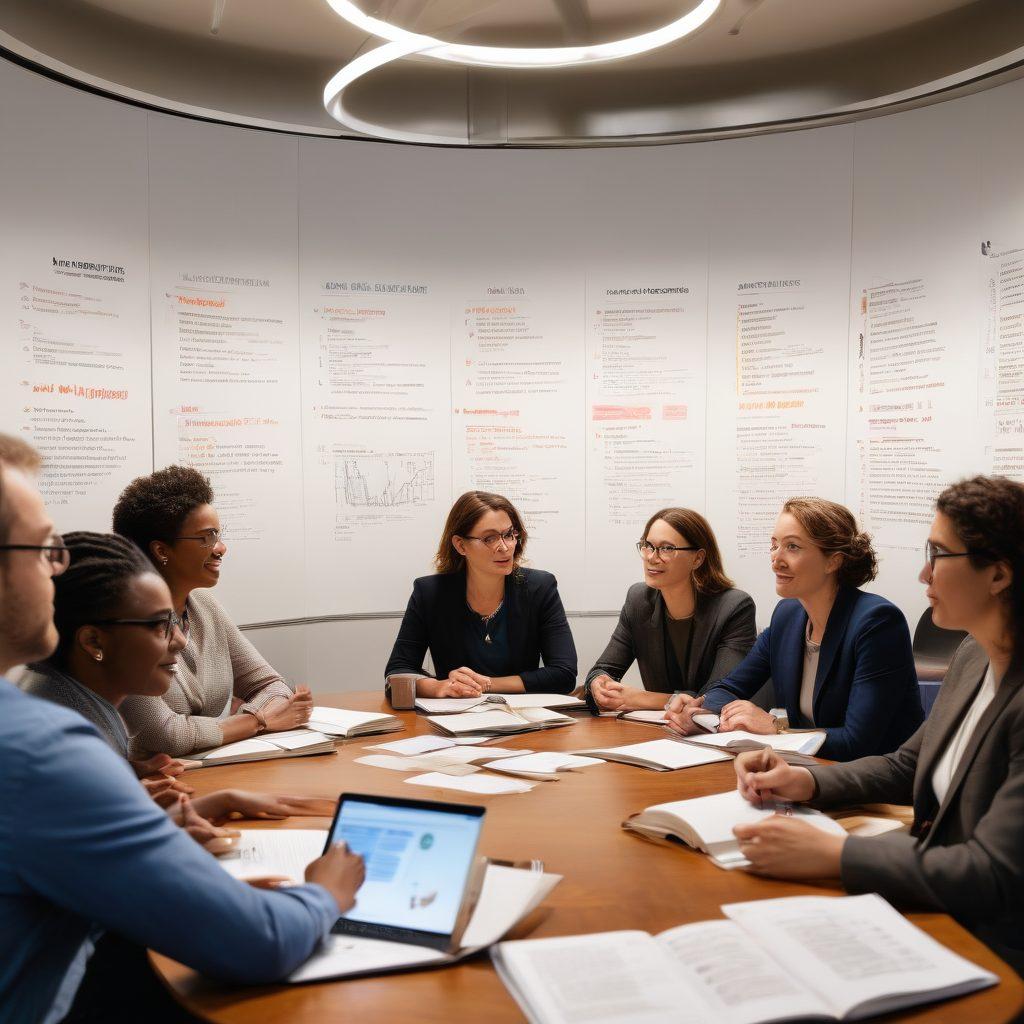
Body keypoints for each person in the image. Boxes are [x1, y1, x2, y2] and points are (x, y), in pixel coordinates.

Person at [0, 433, 365, 1023]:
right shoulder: (45, 747)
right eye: (44, 548)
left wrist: (153, 818)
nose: (57, 566)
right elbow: (259, 942)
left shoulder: (37, 716)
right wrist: (327, 890)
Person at [729, 476, 1024, 974]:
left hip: (993, 940)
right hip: (931, 887)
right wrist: (806, 778)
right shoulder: (974, 654)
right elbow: (907, 764)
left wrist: (838, 855)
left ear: (998, 575)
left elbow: (995, 875)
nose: (923, 574)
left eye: (939, 554)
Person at [20, 532, 336, 838]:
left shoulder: (70, 699)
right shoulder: (65, 742)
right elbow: (105, 870)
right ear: (92, 641)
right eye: (159, 626)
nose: (181, 640)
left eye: (173, 622)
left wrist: (218, 802)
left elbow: (91, 840)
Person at [666, 497, 922, 761]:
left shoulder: (877, 623)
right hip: (809, 770)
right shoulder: (787, 616)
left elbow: (858, 741)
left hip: (877, 785)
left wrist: (776, 729)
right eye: (774, 545)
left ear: (833, 561)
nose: (776, 560)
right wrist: (701, 710)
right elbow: (730, 687)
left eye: (792, 547)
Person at [111, 465, 312, 757]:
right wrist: (257, 720)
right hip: (155, 785)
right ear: (161, 551)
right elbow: (163, 737)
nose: (220, 548)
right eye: (206, 537)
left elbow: (272, 686)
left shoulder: (205, 606)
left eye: (218, 535)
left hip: (208, 771)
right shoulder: (122, 622)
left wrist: (238, 723)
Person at [384, 491, 577, 698]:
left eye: (509, 534)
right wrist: (440, 687)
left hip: (522, 720)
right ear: (460, 545)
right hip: (455, 718)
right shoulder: (430, 593)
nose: (504, 547)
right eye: (489, 538)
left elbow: (563, 674)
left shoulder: (540, 587)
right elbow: (397, 674)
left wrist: (485, 684)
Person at [585, 507, 756, 713]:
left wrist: (641, 698)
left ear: (698, 559)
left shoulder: (734, 608)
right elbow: (603, 669)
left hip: (714, 736)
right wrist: (599, 684)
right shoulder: (638, 600)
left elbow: (716, 697)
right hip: (658, 732)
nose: (651, 557)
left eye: (666, 548)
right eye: (648, 546)